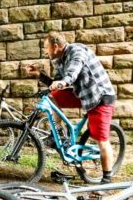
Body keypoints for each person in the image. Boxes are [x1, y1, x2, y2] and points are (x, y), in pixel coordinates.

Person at [26, 31, 117, 183]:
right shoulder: (59, 60)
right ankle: (59, 134)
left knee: (101, 140)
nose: (45, 51)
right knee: (53, 96)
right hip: (83, 95)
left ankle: (107, 180)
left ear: (55, 46)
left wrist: (64, 82)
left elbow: (72, 73)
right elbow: (55, 84)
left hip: (100, 97)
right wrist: (39, 75)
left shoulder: (77, 51)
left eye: (46, 47)